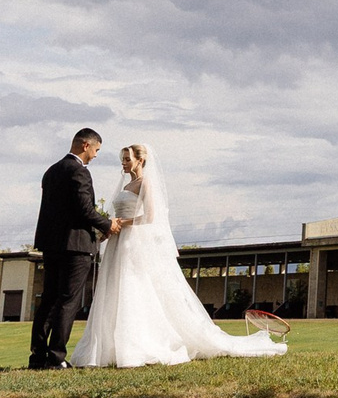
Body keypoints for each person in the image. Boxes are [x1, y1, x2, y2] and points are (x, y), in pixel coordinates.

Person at [70, 142, 285, 368]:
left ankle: (136, 344)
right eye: (122, 160)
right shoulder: (127, 185)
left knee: (133, 287)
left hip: (132, 242)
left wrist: (123, 223)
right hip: (117, 242)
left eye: (127, 159)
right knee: (114, 289)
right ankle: (110, 346)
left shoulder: (146, 183)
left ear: (140, 160)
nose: (123, 164)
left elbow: (151, 217)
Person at [29, 127, 121, 369]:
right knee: (68, 301)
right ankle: (57, 357)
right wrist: (108, 225)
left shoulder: (51, 171)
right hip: (76, 247)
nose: (96, 155)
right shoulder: (79, 172)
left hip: (51, 245)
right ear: (85, 145)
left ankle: (37, 357)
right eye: (96, 150)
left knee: (48, 299)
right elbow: (85, 210)